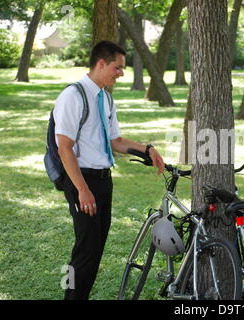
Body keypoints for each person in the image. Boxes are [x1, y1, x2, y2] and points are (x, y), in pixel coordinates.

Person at [54, 40, 165, 300]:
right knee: (86, 250)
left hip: (104, 181)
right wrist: (82, 190)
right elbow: (64, 148)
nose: (121, 73)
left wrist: (146, 148)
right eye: (118, 67)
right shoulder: (73, 96)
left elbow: (115, 141)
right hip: (82, 180)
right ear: (101, 63)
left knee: (94, 248)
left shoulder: (105, 98)